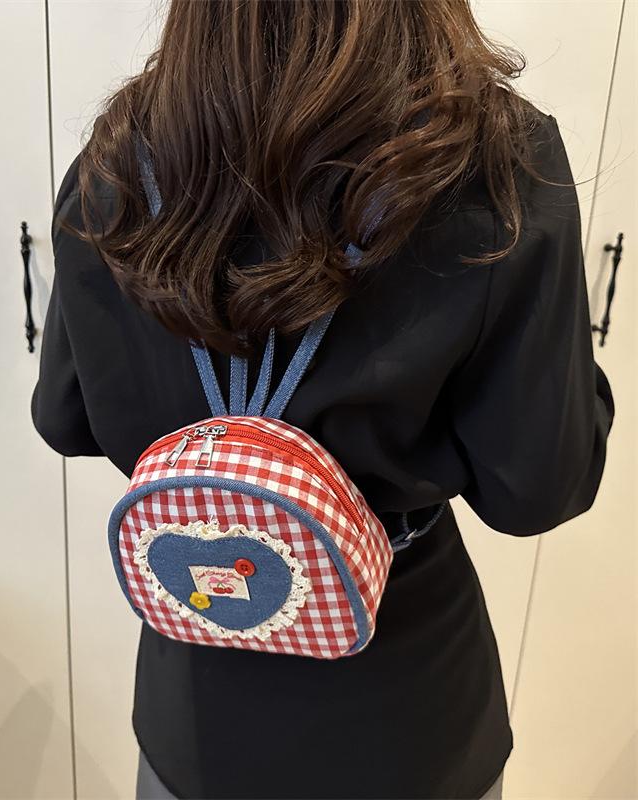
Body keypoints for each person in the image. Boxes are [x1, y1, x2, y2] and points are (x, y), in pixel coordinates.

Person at [31, 1, 615, 797]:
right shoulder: (492, 160)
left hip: (197, 707)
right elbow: (536, 490)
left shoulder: (122, 157)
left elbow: (64, 417)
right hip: (407, 714)